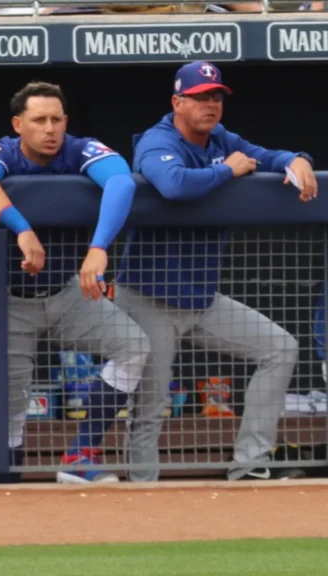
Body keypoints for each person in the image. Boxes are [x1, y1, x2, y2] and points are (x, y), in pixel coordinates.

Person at [123, 61, 314, 481]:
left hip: (201, 298)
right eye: (200, 97)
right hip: (149, 296)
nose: (211, 104)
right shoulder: (158, 141)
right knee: (151, 404)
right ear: (177, 102)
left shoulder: (221, 138)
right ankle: (140, 494)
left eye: (216, 96)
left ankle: (249, 465)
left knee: (279, 348)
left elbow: (264, 155)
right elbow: (172, 184)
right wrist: (228, 170)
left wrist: (296, 159)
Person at [0, 81, 149, 484]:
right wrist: (22, 229)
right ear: (17, 124)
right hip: (11, 301)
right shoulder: (2, 152)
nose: (50, 129)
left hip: (66, 292)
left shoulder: (79, 149)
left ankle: (80, 455)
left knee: (134, 346)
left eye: (56, 119)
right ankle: (5, 480)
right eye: (39, 120)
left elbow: (122, 182)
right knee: (11, 401)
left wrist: (99, 248)